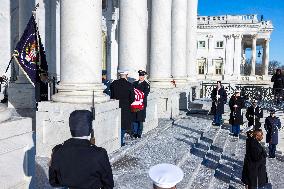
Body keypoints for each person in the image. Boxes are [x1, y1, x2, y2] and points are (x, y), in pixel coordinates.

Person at [48, 110, 114, 189]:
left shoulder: (57, 151)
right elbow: (109, 184)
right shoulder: (99, 154)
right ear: (89, 129)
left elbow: (53, 182)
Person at [110, 69, 135, 146]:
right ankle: (126, 142)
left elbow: (112, 95)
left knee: (118, 124)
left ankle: (119, 142)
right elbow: (132, 98)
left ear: (119, 75)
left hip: (116, 106)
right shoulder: (129, 85)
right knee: (126, 125)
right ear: (126, 75)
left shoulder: (114, 84)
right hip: (126, 107)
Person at [131, 70, 150, 138]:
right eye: (140, 75)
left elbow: (145, 94)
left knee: (140, 119)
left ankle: (139, 133)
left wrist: (136, 94)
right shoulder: (134, 83)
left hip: (141, 104)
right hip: (134, 104)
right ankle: (134, 132)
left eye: (142, 76)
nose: (141, 77)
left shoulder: (146, 85)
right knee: (134, 118)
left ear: (144, 76)